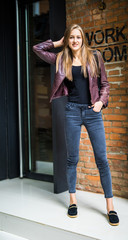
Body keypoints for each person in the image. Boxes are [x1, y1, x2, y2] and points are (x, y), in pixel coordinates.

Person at [33, 24, 119, 226]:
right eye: (71, 37)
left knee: (102, 159)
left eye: (78, 37)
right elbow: (37, 49)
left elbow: (105, 84)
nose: (74, 41)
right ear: (67, 39)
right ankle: (73, 201)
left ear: (83, 39)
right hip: (72, 111)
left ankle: (110, 206)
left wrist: (100, 102)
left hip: (92, 112)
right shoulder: (62, 58)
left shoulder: (95, 56)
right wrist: (57, 43)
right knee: (72, 159)